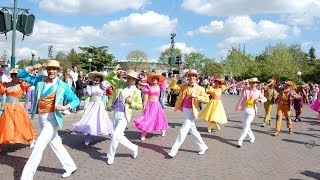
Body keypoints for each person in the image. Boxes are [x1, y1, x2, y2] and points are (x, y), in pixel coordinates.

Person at [19, 60, 80, 179]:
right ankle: (70, 166)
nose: (51, 71)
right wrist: (32, 68)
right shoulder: (40, 80)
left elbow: (76, 100)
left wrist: (65, 107)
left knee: (38, 147)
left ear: (58, 71)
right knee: (56, 143)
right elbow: (21, 75)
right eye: (49, 69)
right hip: (41, 118)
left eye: (54, 69)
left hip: (52, 119)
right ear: (46, 70)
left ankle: (26, 177)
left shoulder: (63, 85)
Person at [168, 69, 209, 158]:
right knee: (193, 130)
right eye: (190, 76)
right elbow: (172, 86)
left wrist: (197, 97)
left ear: (196, 78)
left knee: (183, 130)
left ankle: (173, 150)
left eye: (193, 76)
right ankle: (203, 146)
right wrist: (176, 78)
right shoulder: (184, 86)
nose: (191, 78)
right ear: (188, 77)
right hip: (185, 110)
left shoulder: (200, 88)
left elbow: (207, 99)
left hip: (192, 110)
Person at [105, 67, 143, 165]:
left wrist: (131, 102)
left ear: (135, 80)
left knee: (116, 136)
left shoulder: (137, 91)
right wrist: (115, 72)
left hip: (125, 115)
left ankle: (110, 155)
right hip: (116, 112)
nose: (129, 79)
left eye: (132, 78)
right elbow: (108, 78)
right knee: (117, 136)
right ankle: (134, 147)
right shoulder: (120, 83)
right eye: (128, 77)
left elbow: (140, 106)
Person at [72, 71, 114, 146]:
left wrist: (110, 78)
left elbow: (108, 86)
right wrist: (87, 85)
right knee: (89, 120)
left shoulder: (102, 85)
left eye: (98, 77)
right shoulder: (90, 86)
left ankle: (111, 133)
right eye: (96, 77)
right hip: (91, 104)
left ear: (100, 79)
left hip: (99, 104)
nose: (96, 79)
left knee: (103, 119)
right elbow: (88, 94)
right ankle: (88, 136)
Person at [0, 68, 36, 152]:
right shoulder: (6, 85)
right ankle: (0, 144)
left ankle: (31, 140)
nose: (14, 77)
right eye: (13, 75)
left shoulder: (22, 84)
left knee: (21, 125)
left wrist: (27, 73)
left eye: (16, 75)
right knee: (5, 126)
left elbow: (30, 82)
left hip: (17, 108)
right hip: (8, 108)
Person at [134, 73, 169, 141]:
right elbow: (145, 95)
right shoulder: (148, 86)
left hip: (156, 105)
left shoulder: (160, 86)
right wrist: (144, 105)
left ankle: (163, 130)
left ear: (158, 80)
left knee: (159, 118)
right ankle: (144, 133)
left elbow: (166, 84)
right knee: (148, 118)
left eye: (156, 79)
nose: (154, 80)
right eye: (153, 79)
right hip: (149, 104)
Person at [235, 78, 266, 147]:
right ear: (250, 83)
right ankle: (252, 137)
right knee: (245, 124)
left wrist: (260, 100)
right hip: (244, 108)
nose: (254, 84)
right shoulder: (245, 89)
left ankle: (240, 140)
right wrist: (243, 81)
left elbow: (265, 99)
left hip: (252, 110)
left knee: (246, 124)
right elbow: (236, 86)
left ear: (257, 84)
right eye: (252, 83)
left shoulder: (258, 92)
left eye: (255, 83)